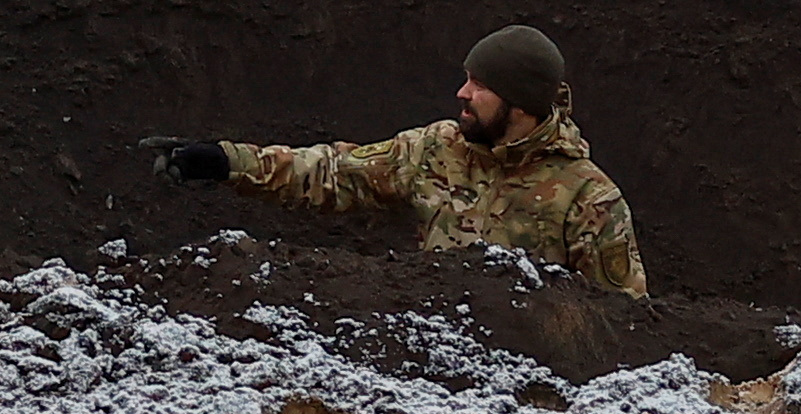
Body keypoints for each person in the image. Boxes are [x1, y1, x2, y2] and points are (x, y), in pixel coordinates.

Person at [148, 23, 645, 295]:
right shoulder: (435, 149)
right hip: (429, 363)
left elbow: (622, 322)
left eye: (480, 85)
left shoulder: (589, 198)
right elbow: (332, 174)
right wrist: (225, 162)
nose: (462, 93)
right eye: (466, 78)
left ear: (519, 103)